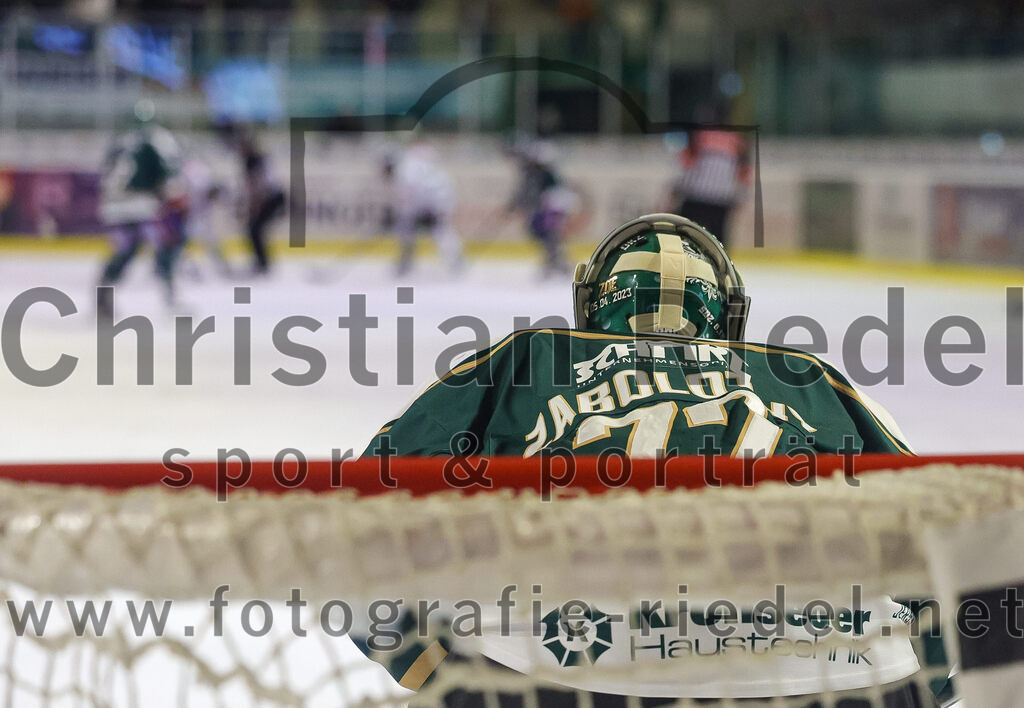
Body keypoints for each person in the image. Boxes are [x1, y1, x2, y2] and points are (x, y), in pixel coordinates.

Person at [360, 214, 935, 707]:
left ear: (593, 305)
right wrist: (925, 684)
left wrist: (432, 668)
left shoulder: (531, 357)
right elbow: (947, 523)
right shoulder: (806, 377)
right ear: (726, 315)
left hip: (557, 663)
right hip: (828, 669)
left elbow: (360, 504)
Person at [97, 119, 184, 316]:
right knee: (166, 244)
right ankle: (169, 297)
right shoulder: (154, 142)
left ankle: (103, 296)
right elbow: (165, 177)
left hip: (113, 203)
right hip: (138, 203)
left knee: (125, 250)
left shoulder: (122, 141)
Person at [380, 142, 463, 276]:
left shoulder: (404, 174)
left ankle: (456, 261)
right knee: (410, 228)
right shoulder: (406, 167)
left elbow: (413, 198)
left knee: (438, 230)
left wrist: (426, 211)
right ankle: (407, 261)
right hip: (436, 198)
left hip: (435, 200)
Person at [502, 139, 579, 277]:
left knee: (549, 231)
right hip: (550, 204)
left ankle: (556, 262)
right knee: (540, 230)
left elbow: (528, 193)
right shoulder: (535, 175)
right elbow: (526, 194)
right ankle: (555, 261)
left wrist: (515, 205)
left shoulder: (542, 175)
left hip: (555, 202)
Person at [239, 134, 285, 275]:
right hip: (269, 198)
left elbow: (260, 186)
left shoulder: (257, 161)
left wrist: (255, 207)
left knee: (255, 229)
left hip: (272, 198)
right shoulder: (251, 161)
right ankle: (262, 262)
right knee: (254, 229)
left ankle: (262, 264)